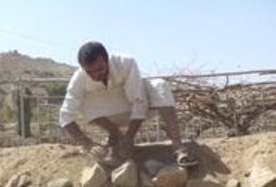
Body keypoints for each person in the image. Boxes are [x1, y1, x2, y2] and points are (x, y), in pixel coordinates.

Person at [59, 41, 198, 167]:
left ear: (107, 60)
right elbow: (65, 116)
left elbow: (139, 100)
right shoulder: (79, 79)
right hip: (108, 114)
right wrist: (88, 143)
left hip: (137, 110)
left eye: (100, 69)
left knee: (159, 85)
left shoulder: (126, 62)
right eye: (90, 72)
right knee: (82, 100)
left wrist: (130, 136)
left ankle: (178, 147)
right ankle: (115, 134)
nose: (96, 75)